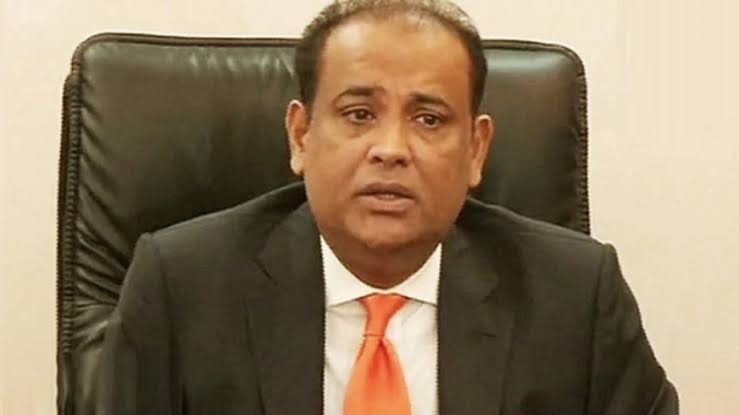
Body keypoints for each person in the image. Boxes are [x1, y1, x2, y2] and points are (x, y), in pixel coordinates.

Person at [97, 0, 678, 414]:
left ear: (476, 150)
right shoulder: (180, 287)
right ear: (300, 136)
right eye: (358, 114)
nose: (392, 149)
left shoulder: (576, 296)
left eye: (429, 118)